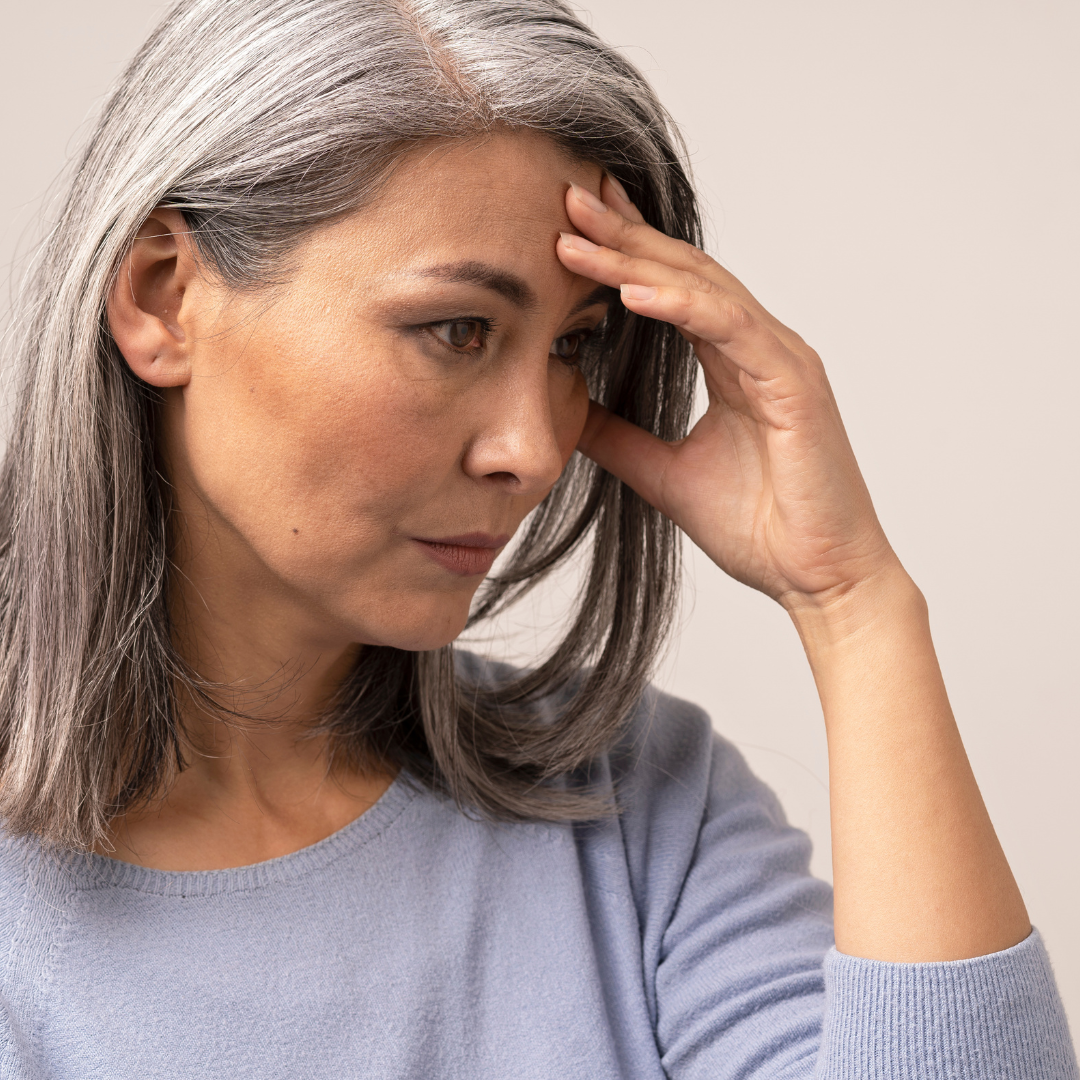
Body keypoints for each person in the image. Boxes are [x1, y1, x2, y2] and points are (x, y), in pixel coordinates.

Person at [0, 0, 1074, 1076]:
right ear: (164, 297)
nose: (534, 448)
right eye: (457, 329)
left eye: (574, 346)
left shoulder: (639, 808)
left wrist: (853, 605)